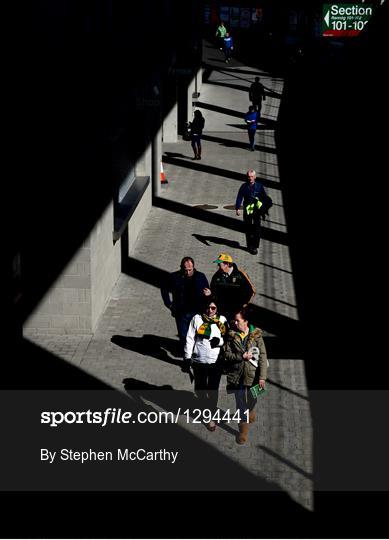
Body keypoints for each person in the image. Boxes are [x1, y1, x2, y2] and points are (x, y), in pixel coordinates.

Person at [223, 307, 268, 444]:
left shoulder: (256, 335)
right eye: (234, 321)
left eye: (238, 321)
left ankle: (251, 410)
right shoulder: (231, 336)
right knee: (240, 402)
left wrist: (262, 377)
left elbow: (262, 356)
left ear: (246, 321)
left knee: (253, 398)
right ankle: (243, 430)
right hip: (237, 376)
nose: (235, 323)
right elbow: (226, 354)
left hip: (254, 375)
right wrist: (240, 356)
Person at [184, 296, 227, 431]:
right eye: (208, 307)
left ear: (217, 308)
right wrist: (187, 357)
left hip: (216, 362)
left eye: (213, 308)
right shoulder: (197, 319)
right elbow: (190, 338)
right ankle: (204, 409)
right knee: (201, 389)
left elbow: (227, 338)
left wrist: (219, 342)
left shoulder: (222, 320)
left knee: (213, 390)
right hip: (199, 361)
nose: (210, 310)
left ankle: (210, 416)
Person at [161, 257, 209, 357]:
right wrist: (169, 304)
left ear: (193, 267)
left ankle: (195, 352)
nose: (187, 272)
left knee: (197, 334)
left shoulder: (200, 276)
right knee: (183, 335)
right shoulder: (174, 277)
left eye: (190, 270)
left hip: (197, 312)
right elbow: (164, 288)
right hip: (181, 312)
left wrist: (208, 295)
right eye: (185, 270)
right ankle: (187, 354)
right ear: (181, 268)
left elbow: (207, 290)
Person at [209, 253, 255, 322]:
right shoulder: (217, 276)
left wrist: (243, 305)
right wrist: (210, 294)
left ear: (227, 264)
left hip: (236, 313)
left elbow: (251, 291)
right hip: (222, 312)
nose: (218, 266)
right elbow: (213, 290)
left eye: (219, 264)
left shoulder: (241, 275)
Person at [236, 169, 270, 255]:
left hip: (256, 210)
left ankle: (254, 247)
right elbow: (240, 196)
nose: (250, 178)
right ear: (247, 177)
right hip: (247, 210)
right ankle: (249, 245)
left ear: (255, 177)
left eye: (252, 176)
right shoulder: (244, 186)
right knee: (248, 228)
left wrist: (264, 207)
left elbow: (264, 197)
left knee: (257, 229)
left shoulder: (259, 186)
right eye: (249, 176)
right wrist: (237, 208)